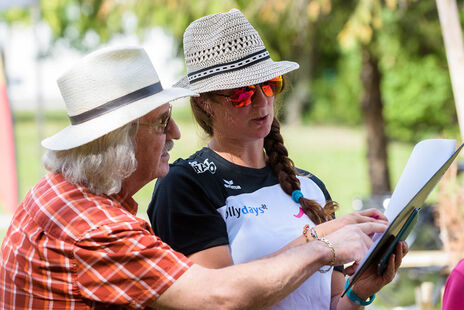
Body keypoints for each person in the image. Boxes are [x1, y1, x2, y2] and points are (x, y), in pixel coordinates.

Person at [0, 45, 388, 310]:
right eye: (162, 122)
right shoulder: (97, 230)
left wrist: (338, 266)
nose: (175, 134)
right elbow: (217, 296)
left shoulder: (60, 195)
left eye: (269, 86)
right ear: (120, 141)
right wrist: (323, 248)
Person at [148, 9, 408, 309]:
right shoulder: (186, 184)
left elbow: (331, 302)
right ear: (204, 103)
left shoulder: (309, 186)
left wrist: (359, 292)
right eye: (242, 94)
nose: (262, 101)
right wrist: (321, 240)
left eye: (269, 84)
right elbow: (218, 298)